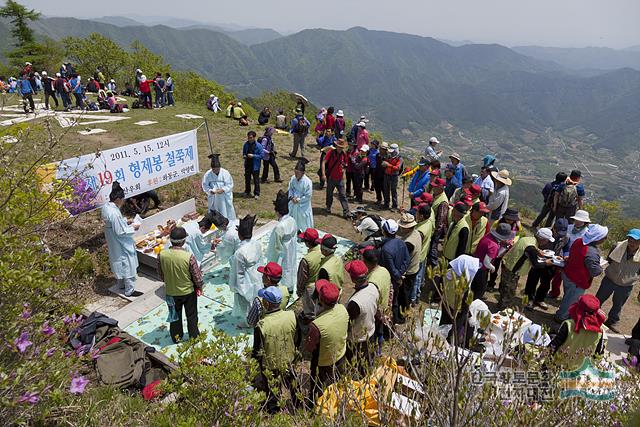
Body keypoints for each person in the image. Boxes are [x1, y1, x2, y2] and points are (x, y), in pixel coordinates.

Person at [251, 286, 299, 414]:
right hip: (289, 359)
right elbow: (297, 338)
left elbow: (257, 351)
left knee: (273, 390)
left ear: (266, 303)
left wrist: (255, 366)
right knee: (292, 385)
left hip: (270, 364)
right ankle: (297, 405)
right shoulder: (292, 315)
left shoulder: (261, 325)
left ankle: (274, 411)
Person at [305, 279, 349, 401]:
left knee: (318, 387)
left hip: (322, 362)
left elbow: (309, 347)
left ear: (320, 300)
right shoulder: (343, 309)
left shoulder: (316, 325)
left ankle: (315, 406)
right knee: (336, 383)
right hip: (340, 354)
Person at [555, 224, 608, 322]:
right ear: (598, 238)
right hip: (577, 280)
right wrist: (600, 267)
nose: (605, 239)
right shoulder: (592, 252)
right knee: (570, 300)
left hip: (568, 273)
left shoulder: (578, 241)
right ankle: (561, 318)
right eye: (604, 237)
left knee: (567, 296)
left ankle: (563, 313)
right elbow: (595, 271)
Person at [158, 227, 203, 343]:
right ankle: (194, 336)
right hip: (188, 291)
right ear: (183, 241)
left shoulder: (161, 255)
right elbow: (197, 277)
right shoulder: (188, 257)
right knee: (192, 316)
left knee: (174, 316)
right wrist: (199, 286)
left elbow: (160, 274)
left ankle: (176, 337)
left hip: (171, 292)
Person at [595, 229, 640, 333]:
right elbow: (609, 260)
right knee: (599, 299)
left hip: (626, 284)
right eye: (630, 239)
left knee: (618, 304)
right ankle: (591, 315)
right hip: (610, 278)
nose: (632, 242)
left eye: (635, 241)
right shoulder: (618, 246)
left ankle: (612, 322)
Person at [101, 182, 142, 297]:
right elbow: (120, 231)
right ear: (118, 199)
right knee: (127, 264)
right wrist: (133, 227)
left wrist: (124, 221)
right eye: (123, 199)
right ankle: (129, 290)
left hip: (112, 240)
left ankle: (121, 285)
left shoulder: (106, 207)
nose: (124, 201)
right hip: (120, 242)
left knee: (119, 262)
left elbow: (114, 224)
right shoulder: (114, 213)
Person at [498, 228, 555, 310]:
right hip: (513, 271)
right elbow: (536, 264)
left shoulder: (527, 239)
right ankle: (503, 310)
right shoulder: (531, 248)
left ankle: (501, 305)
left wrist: (537, 251)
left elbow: (528, 249)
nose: (547, 242)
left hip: (507, 265)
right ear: (543, 239)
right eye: (547, 240)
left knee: (504, 288)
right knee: (509, 293)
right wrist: (547, 263)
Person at [549, 294, 605, 370]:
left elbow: (554, 345)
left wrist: (545, 363)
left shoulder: (569, 324)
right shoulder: (600, 331)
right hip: (580, 369)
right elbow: (598, 354)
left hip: (559, 365)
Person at [344, 260, 379, 375]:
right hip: (371, 332)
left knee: (356, 368)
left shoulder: (355, 302)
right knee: (367, 363)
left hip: (357, 340)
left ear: (353, 279)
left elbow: (347, 322)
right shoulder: (374, 287)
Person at [229, 215, 263, 326]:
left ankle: (248, 321)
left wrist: (236, 286)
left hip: (246, 278)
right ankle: (256, 315)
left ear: (239, 235)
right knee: (256, 297)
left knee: (245, 300)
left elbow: (238, 273)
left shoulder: (239, 253)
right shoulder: (257, 244)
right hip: (256, 274)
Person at [440, 255, 480, 345]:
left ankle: (441, 338)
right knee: (454, 330)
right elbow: (465, 304)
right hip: (457, 311)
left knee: (444, 324)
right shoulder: (462, 283)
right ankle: (451, 344)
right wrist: (469, 315)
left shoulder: (448, 273)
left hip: (446, 303)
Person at [470, 223, 513, 300]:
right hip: (482, 269)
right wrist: (492, 268)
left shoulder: (488, 236)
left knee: (473, 286)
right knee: (480, 288)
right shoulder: (494, 246)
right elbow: (486, 263)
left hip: (474, 264)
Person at [379, 219, 410, 324]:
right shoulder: (401, 242)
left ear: (384, 232)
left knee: (389, 303)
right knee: (395, 300)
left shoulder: (386, 250)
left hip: (391, 280)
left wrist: (397, 277)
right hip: (398, 277)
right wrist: (401, 273)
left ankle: (389, 324)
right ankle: (397, 319)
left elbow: (391, 269)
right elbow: (407, 260)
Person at [266, 191, 299, 292]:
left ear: (277, 212)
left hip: (283, 249)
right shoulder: (292, 220)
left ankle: (283, 287)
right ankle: (290, 286)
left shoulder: (279, 226)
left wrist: (272, 257)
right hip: (291, 246)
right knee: (291, 264)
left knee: (283, 267)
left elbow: (276, 246)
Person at [246, 261, 290, 328]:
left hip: (266, 329)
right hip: (281, 324)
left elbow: (251, 322)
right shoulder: (285, 290)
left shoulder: (259, 300)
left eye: (263, 274)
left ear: (268, 279)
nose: (262, 277)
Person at [397, 213, 422, 316]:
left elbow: (403, 259)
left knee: (404, 294)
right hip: (415, 267)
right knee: (408, 290)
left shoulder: (408, 243)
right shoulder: (416, 233)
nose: (400, 229)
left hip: (408, 271)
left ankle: (403, 314)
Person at [296, 228, 323, 319]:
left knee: (310, 313)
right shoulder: (323, 252)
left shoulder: (306, 260)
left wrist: (299, 291)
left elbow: (302, 278)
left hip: (310, 288)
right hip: (321, 284)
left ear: (307, 242)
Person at [321, 139, 350, 218]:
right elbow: (324, 162)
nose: (339, 148)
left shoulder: (344, 154)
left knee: (343, 195)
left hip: (340, 179)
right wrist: (323, 174)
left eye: (341, 147)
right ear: (336, 146)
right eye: (339, 146)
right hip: (331, 178)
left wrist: (344, 169)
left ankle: (346, 212)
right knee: (329, 194)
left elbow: (345, 165)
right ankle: (328, 207)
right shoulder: (331, 153)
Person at [202, 154, 236, 221]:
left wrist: (223, 189)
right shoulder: (208, 174)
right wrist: (210, 191)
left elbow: (230, 184)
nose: (216, 171)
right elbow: (205, 185)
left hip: (223, 197)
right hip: (214, 197)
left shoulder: (225, 173)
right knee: (214, 212)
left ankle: (228, 222)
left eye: (217, 169)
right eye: (214, 169)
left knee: (225, 211)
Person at [428, 177, 450, 267]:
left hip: (436, 229)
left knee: (433, 246)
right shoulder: (436, 195)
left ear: (441, 188)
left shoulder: (443, 202)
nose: (433, 188)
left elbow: (441, 220)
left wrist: (435, 232)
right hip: (432, 225)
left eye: (435, 187)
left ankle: (434, 265)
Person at [288, 159, 314, 231]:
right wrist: (292, 197)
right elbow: (290, 188)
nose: (296, 175)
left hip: (303, 204)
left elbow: (308, 196)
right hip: (293, 201)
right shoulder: (293, 178)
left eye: (298, 173)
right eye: (295, 172)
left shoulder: (308, 182)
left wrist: (299, 200)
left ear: (303, 173)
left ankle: (304, 232)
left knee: (303, 221)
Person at [242, 131, 264, 199]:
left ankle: (257, 193)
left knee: (256, 180)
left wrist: (253, 156)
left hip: (255, 166)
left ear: (254, 137)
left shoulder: (259, 146)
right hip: (248, 165)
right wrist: (244, 156)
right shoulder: (246, 144)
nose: (249, 139)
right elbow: (244, 152)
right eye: (248, 137)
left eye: (251, 138)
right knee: (247, 179)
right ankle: (247, 191)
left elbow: (261, 156)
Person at [382, 143, 402, 211]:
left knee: (393, 190)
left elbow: (398, 167)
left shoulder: (399, 158)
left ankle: (394, 206)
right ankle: (386, 204)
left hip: (394, 176)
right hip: (386, 174)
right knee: (386, 190)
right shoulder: (389, 156)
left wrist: (388, 165)